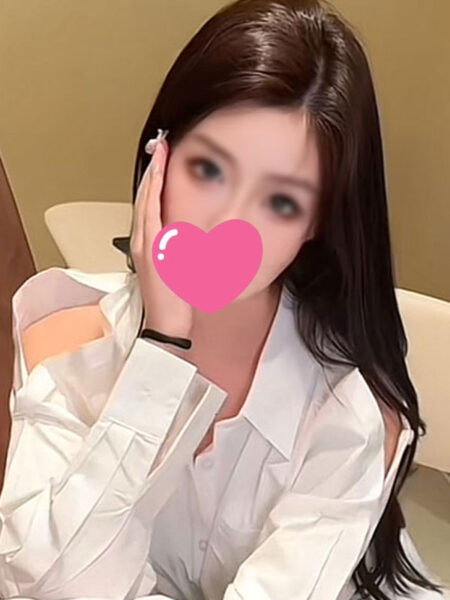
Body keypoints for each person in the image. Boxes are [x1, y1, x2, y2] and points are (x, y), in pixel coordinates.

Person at [0, 0, 447, 598]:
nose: (228, 225)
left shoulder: (348, 406)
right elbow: (46, 583)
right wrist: (159, 352)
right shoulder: (66, 341)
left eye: (281, 202)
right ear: (159, 156)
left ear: (317, 222)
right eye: (209, 170)